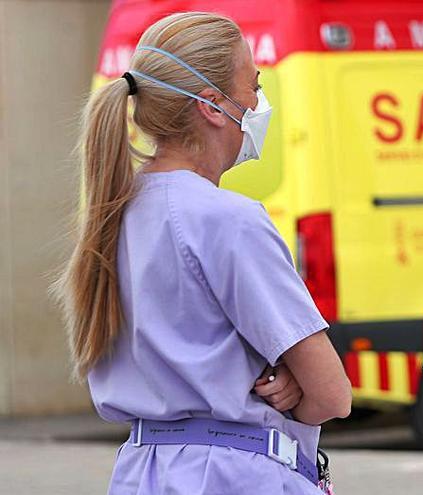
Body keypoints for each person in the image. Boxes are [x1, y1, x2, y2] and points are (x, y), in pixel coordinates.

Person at [52, 12, 350, 495]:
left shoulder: (110, 216)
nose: (259, 103)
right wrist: (292, 388)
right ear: (214, 106)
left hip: (141, 472)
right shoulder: (229, 219)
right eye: (253, 87)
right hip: (236, 473)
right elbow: (332, 395)